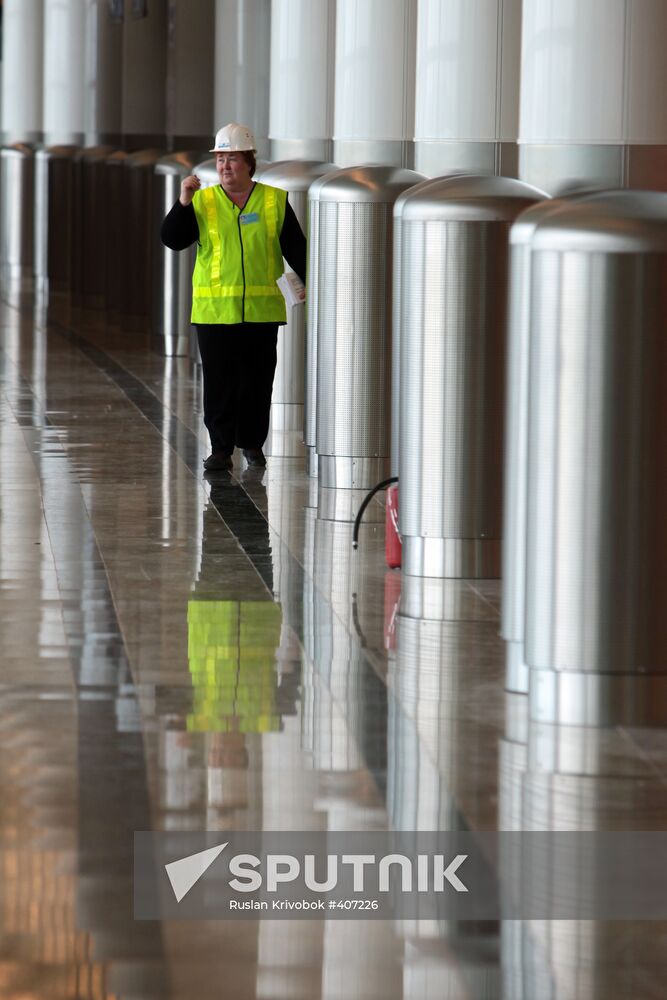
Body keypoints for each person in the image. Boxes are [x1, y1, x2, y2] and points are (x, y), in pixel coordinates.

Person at [161, 122, 307, 471]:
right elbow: (172, 238)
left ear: (249, 162)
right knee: (220, 382)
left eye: (233, 159)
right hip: (214, 312)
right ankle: (221, 449)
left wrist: (308, 284)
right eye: (221, 159)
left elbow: (299, 251)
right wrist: (183, 202)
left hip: (261, 310)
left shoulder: (274, 201)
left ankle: (253, 444)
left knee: (258, 381)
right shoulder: (203, 202)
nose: (225, 166)